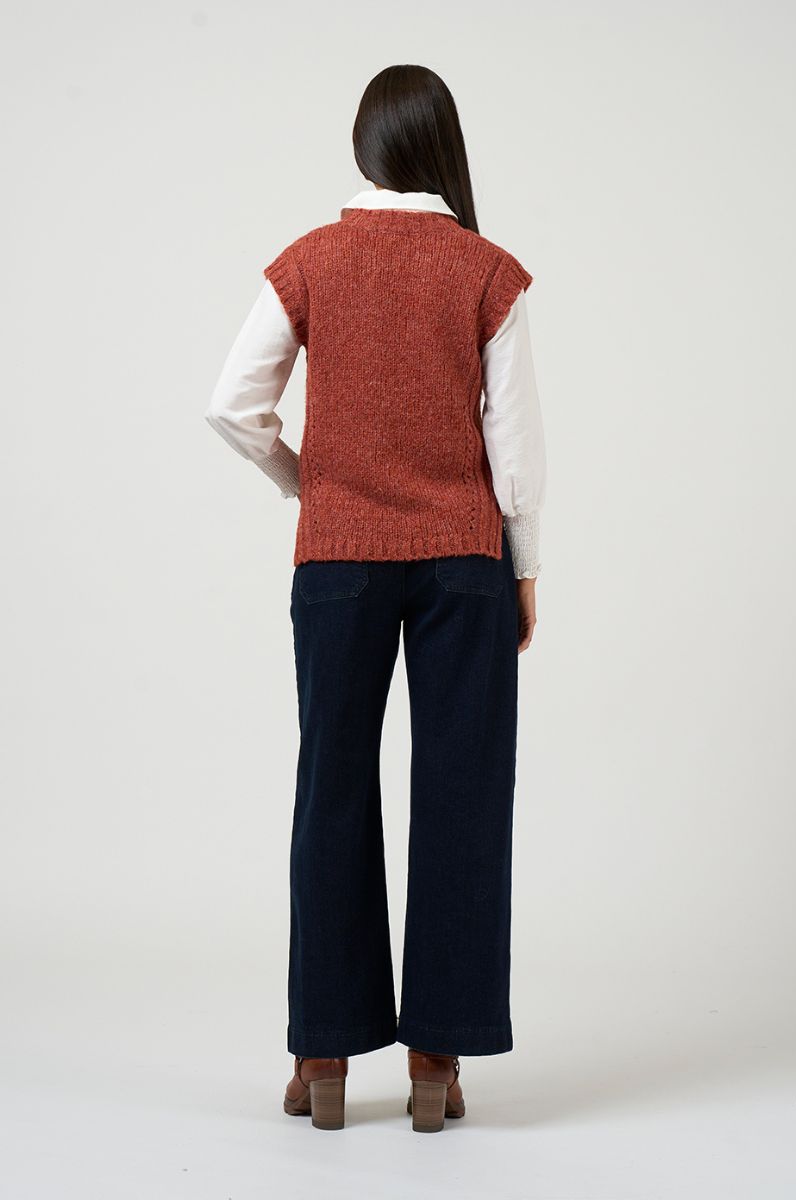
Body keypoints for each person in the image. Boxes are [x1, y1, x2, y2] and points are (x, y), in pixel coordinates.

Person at [205, 63, 547, 1133]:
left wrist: (310, 484)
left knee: (332, 788)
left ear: (365, 148)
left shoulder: (309, 260)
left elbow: (232, 406)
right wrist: (524, 566)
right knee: (462, 796)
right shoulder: (486, 272)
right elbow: (516, 449)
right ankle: (436, 1058)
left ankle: (322, 1052)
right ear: (442, 148)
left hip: (337, 563)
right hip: (463, 563)